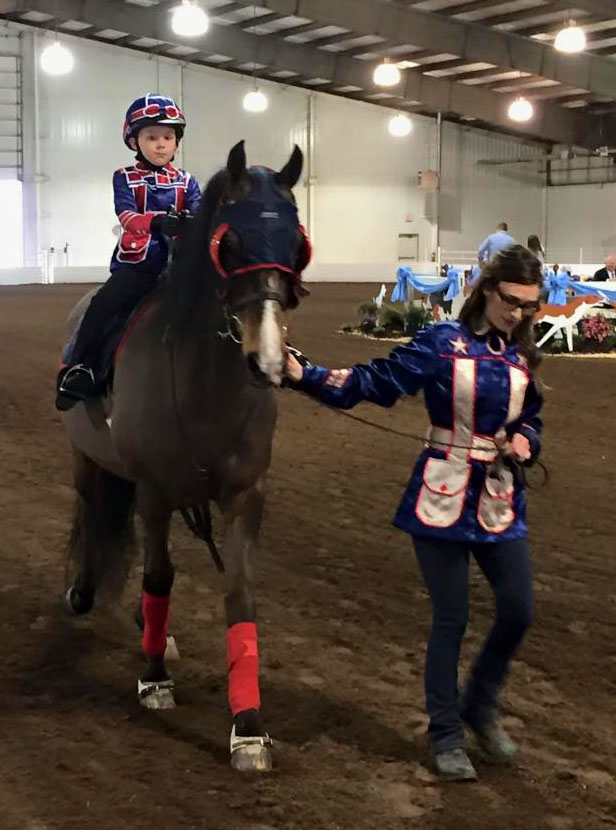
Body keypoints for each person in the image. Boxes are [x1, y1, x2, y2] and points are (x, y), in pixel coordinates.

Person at [285, 244, 543, 782]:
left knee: (519, 609)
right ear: (487, 289)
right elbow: (372, 382)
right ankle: (446, 733)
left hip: (498, 501)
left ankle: (479, 705)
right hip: (441, 500)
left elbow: (531, 416)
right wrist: (303, 374)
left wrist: (524, 441)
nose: (518, 314)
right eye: (511, 301)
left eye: (528, 306)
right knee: (453, 618)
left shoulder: (520, 354)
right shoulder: (441, 343)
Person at [55, 94, 201, 411]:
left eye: (168, 137)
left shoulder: (187, 181)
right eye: (151, 137)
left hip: (181, 268)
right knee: (104, 305)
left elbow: (200, 215)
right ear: (134, 141)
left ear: (176, 142)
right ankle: (81, 367)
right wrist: (158, 221)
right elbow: (127, 217)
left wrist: (193, 222)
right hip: (139, 266)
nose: (161, 144)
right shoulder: (125, 177)